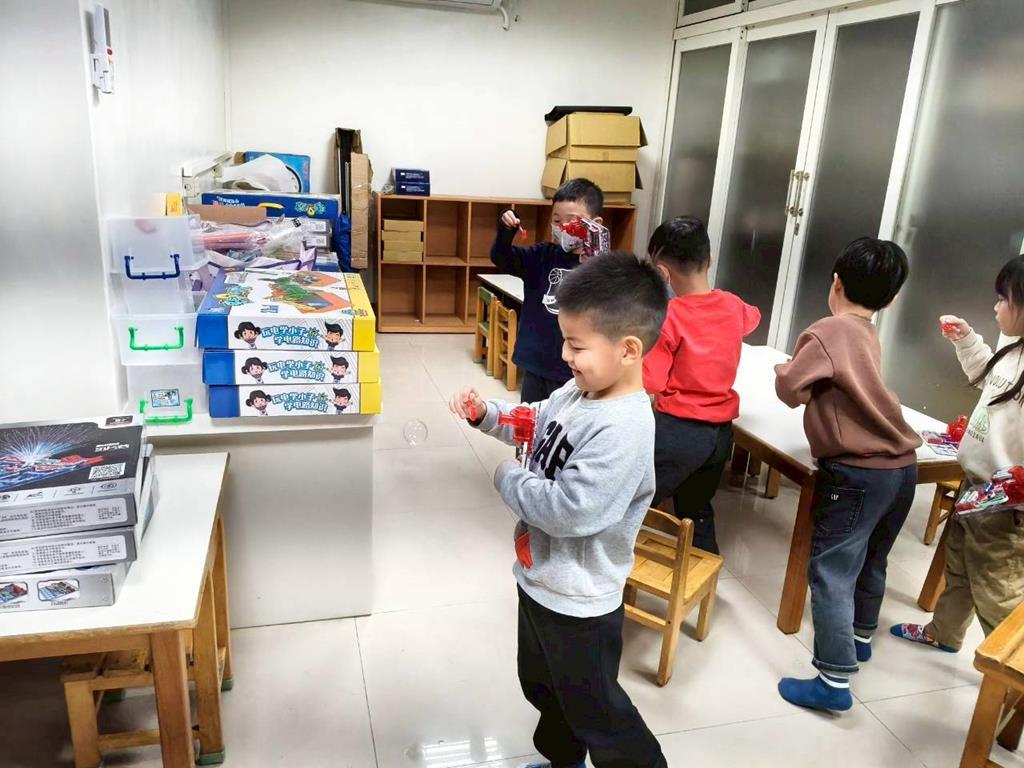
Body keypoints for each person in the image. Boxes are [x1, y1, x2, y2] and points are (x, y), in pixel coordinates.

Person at [450, 251, 668, 768]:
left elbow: (572, 511)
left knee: (597, 711)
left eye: (577, 344)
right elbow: (534, 419)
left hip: (580, 601)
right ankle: (562, 761)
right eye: (565, 340)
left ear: (628, 349)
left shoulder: (624, 428)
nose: (565, 354)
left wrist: (507, 476)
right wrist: (488, 415)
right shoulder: (578, 391)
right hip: (540, 579)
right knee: (544, 687)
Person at [774, 237, 922, 712]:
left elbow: (791, 390)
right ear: (891, 299)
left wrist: (785, 368)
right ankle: (860, 637)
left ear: (835, 282)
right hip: (902, 466)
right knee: (873, 556)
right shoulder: (866, 331)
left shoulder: (828, 330)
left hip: (858, 471)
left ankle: (833, 681)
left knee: (832, 569)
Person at [893, 255, 1024, 653]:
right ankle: (944, 632)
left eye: (1003, 299)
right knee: (960, 567)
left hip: (1005, 505)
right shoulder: (1013, 350)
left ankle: (1010, 668)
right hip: (975, 485)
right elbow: (986, 377)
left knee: (996, 587)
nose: (996, 307)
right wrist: (966, 341)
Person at [642, 216, 761, 553]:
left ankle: (617, 569)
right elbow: (753, 318)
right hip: (720, 435)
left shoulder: (670, 316)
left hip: (678, 431)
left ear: (663, 273)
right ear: (709, 260)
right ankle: (704, 571)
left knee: (635, 498)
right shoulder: (734, 305)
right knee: (697, 510)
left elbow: (651, 380)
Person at [491, 178, 604, 404]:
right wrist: (506, 229)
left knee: (565, 422)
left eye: (572, 221)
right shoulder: (541, 255)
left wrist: (595, 261)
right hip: (536, 362)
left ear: (595, 223)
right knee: (532, 418)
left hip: (574, 368)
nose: (563, 227)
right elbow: (501, 258)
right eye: (557, 220)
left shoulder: (602, 266)